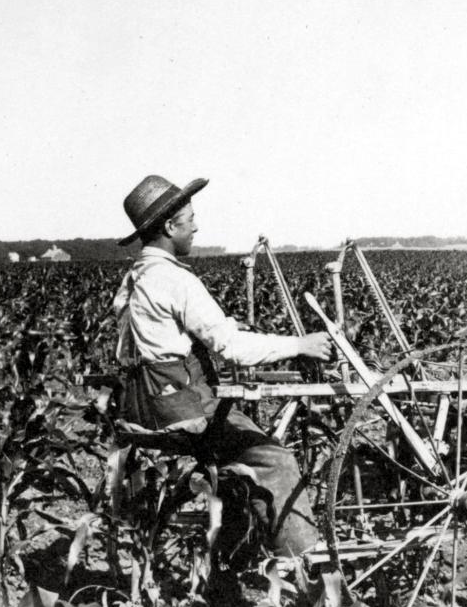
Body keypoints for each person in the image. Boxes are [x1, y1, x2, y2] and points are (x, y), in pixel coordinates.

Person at [112, 174, 334, 560]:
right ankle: (308, 574)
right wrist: (301, 344)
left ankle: (233, 557)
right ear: (170, 227)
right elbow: (231, 347)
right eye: (190, 219)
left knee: (235, 459)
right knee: (276, 460)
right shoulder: (175, 280)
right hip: (183, 413)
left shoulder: (134, 279)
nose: (196, 227)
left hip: (140, 409)